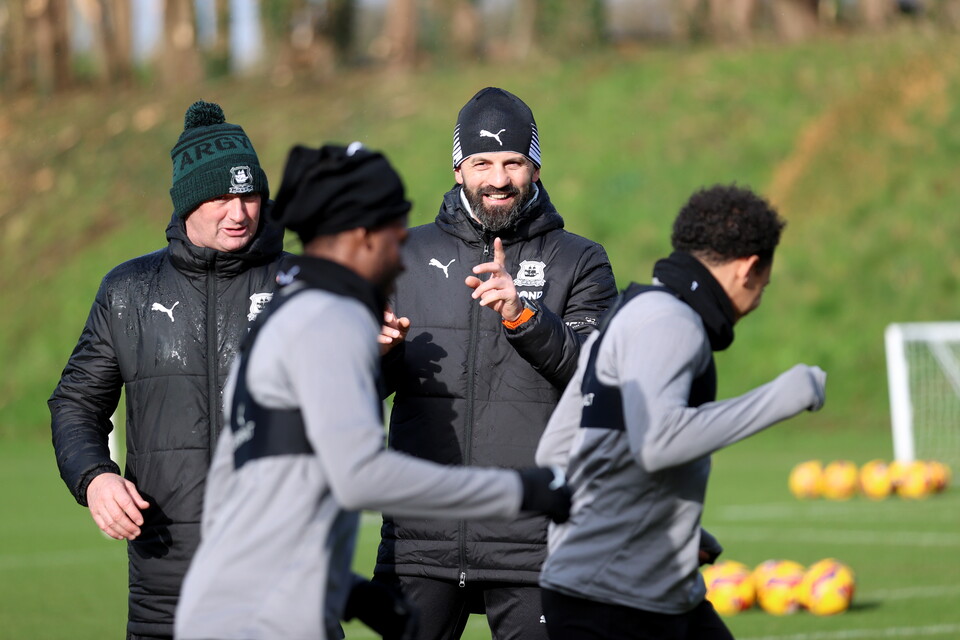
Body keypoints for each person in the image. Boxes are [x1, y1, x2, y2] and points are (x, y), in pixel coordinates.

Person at [174, 143, 572, 640]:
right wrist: (520, 490)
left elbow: (249, 491)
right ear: (362, 235)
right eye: (395, 226)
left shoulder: (285, 311)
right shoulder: (333, 318)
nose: (404, 243)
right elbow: (359, 475)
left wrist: (348, 592)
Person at [373, 87, 618, 639]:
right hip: (420, 540)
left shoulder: (580, 260)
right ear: (458, 169)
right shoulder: (401, 257)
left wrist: (524, 317)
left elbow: (600, 378)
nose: (498, 178)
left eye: (513, 162)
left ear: (535, 166)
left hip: (535, 542)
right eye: (481, 163)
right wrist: (375, 354)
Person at [535, 184, 828, 640]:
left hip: (627, 590)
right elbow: (658, 441)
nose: (757, 301)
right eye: (764, 286)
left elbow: (555, 451)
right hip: (615, 601)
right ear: (750, 268)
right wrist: (784, 395)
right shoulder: (673, 321)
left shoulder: (627, 312)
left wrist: (662, 524)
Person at [49, 100, 284, 640]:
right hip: (167, 589)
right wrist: (95, 478)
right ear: (186, 203)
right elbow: (76, 403)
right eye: (221, 196)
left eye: (250, 195)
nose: (239, 212)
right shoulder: (127, 293)